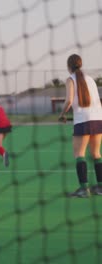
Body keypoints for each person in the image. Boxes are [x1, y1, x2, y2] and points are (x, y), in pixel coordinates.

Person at [59, 54, 102, 198]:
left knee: (79, 154)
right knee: (96, 154)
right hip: (98, 119)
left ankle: (84, 189)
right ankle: (100, 187)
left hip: (83, 120)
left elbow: (69, 101)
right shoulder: (90, 79)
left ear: (69, 66)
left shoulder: (70, 79)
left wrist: (62, 114)